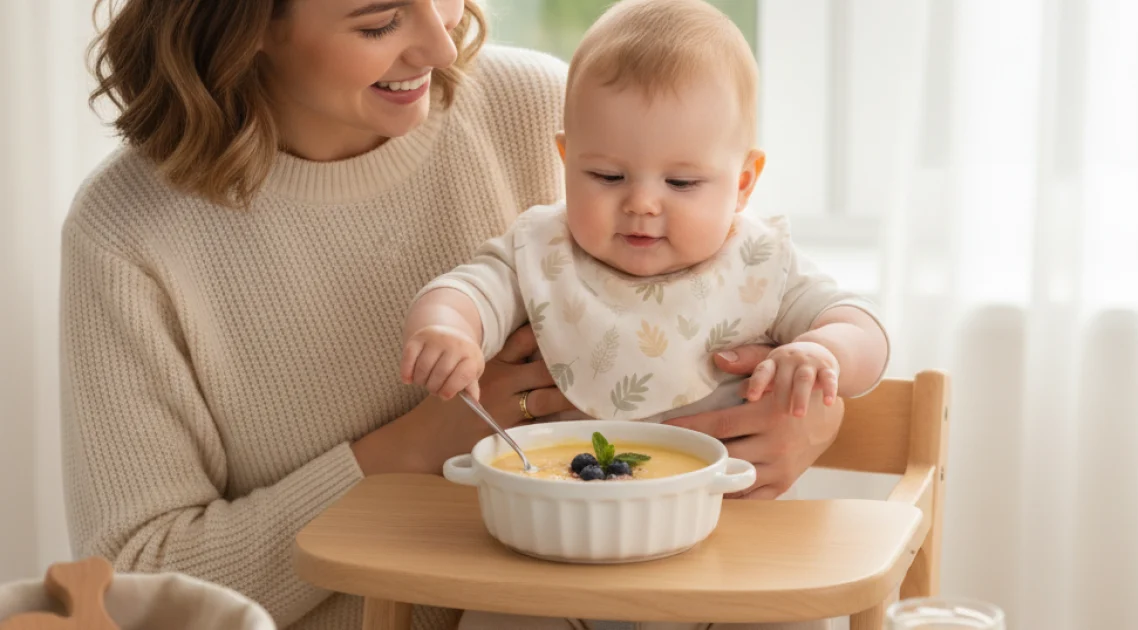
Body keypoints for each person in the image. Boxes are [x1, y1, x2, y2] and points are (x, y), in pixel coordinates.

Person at [62, 1, 858, 629]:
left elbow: (731, 295)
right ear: (247, 21)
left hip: (639, 591)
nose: (443, 48)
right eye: (379, 20)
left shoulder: (541, 108)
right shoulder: (129, 235)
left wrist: (805, 416)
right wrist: (414, 447)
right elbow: (140, 583)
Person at [399, 1, 890, 629]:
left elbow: (862, 325)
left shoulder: (761, 259)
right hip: (556, 554)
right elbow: (471, 288)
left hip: (732, 557)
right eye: (606, 175)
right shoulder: (542, 248)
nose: (641, 205)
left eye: (682, 184)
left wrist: (825, 352)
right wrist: (448, 327)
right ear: (565, 158)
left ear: (743, 182)